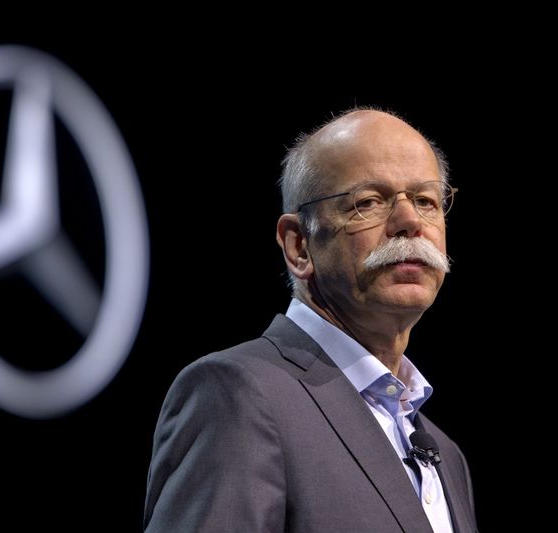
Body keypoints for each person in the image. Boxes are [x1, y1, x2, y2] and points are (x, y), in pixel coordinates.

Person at [143, 108, 478, 532]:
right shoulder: (238, 395)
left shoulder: (447, 456)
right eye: (368, 202)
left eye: (426, 201)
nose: (410, 221)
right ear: (299, 246)